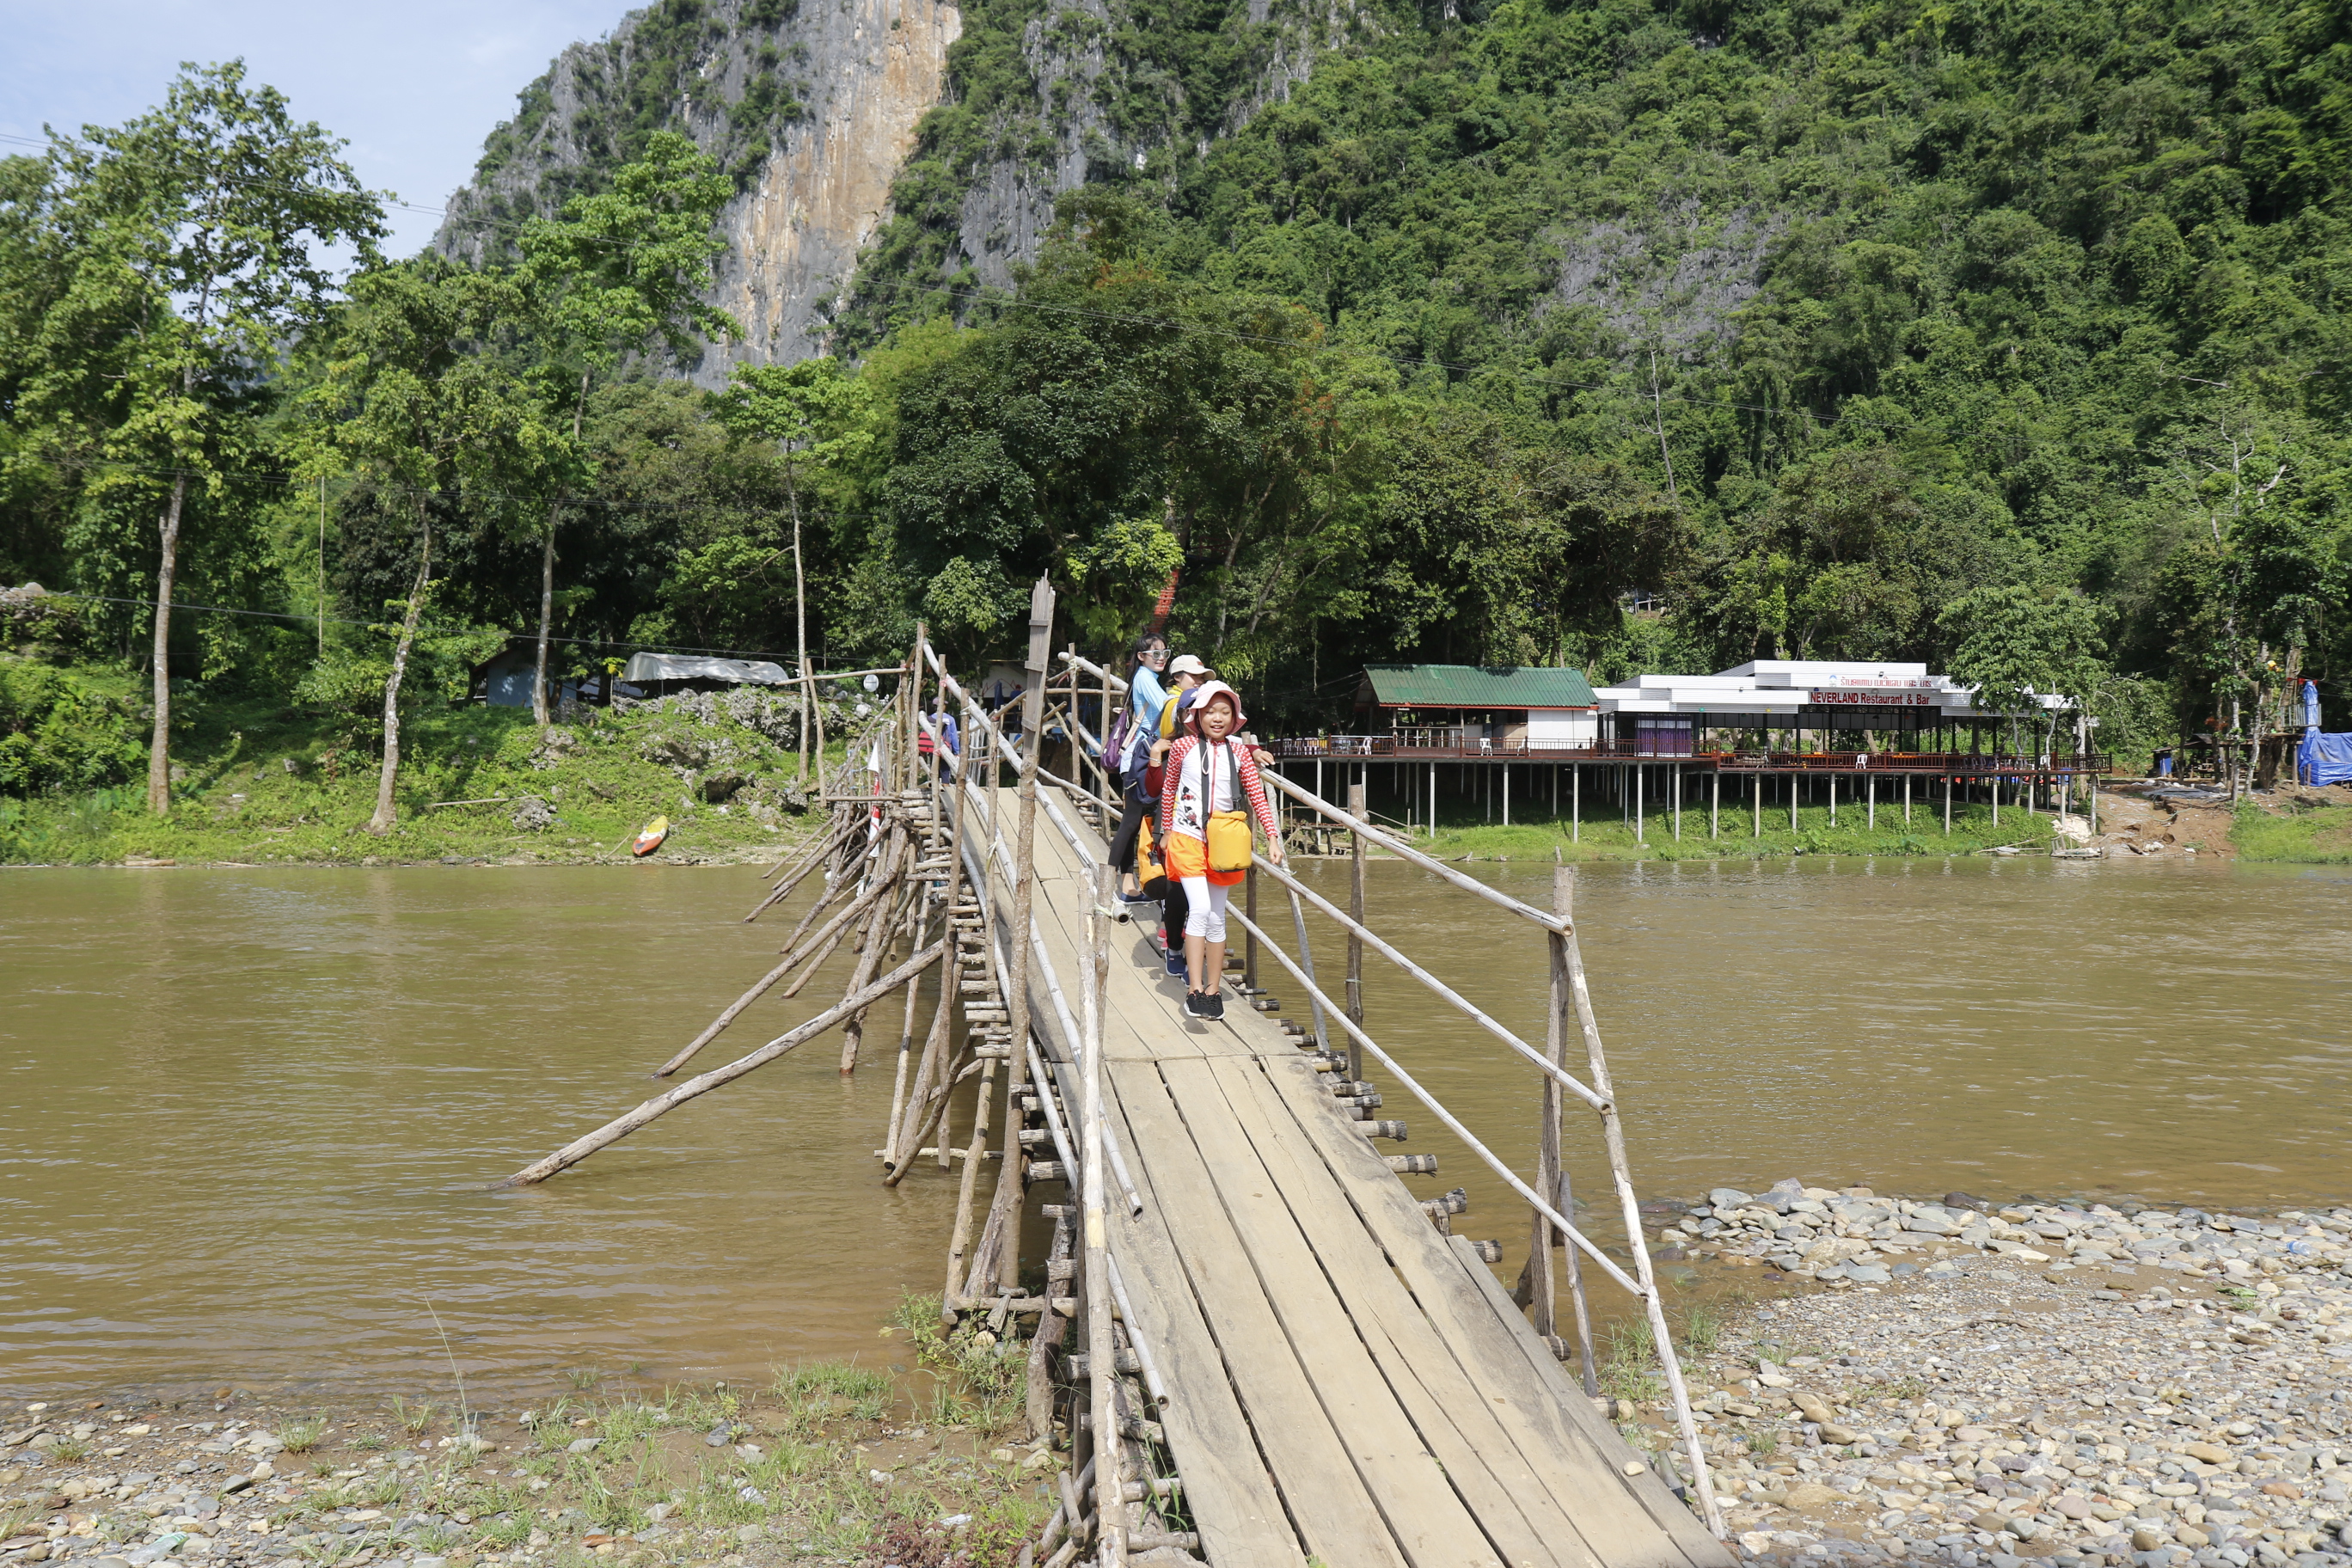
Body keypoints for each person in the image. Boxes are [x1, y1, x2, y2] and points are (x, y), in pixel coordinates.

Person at [1155, 682, 1285, 1020]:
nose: (1217, 718)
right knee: (1198, 909)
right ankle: (1194, 988)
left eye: (1225, 712)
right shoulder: (1183, 748)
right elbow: (1168, 791)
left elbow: (1257, 796)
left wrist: (1272, 837)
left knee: (1216, 917)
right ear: (1197, 715)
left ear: (1234, 718)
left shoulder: (1240, 752)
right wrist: (1166, 830)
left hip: (1223, 844)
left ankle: (1214, 991)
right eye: (1211, 711)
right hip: (1187, 838)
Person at [1105, 634, 1170, 900]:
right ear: (1142, 657)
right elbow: (1169, 708)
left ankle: (1126, 885)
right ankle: (1107, 882)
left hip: (1139, 760)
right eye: (1155, 654)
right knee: (1131, 822)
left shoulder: (1146, 678)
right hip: (1140, 760)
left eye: (1165, 653)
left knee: (1131, 823)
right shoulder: (1145, 677)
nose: (1161, 658)